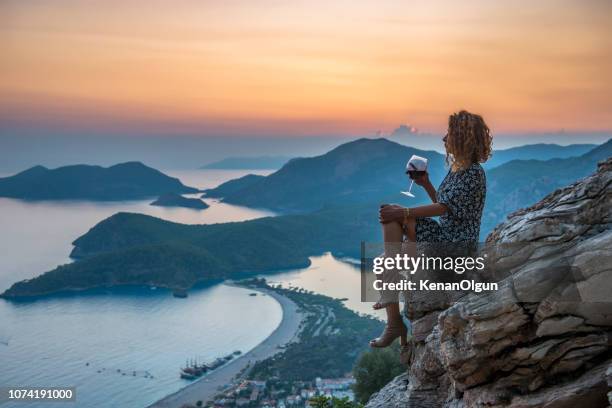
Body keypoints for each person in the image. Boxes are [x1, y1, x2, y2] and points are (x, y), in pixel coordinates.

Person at [370, 110, 492, 350]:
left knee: (393, 214)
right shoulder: (458, 169)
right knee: (382, 263)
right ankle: (394, 324)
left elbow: (443, 207)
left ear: (462, 137)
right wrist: (425, 184)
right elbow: (447, 207)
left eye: (449, 134)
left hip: (455, 247)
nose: (444, 139)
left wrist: (404, 213)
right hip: (445, 236)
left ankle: (393, 312)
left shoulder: (473, 173)